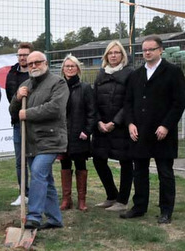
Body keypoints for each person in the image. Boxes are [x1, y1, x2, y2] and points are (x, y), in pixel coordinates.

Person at [121, 35, 185, 224]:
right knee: (139, 171)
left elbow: (179, 102)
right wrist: (130, 123)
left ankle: (166, 211)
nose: (147, 52)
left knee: (165, 172)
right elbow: (128, 102)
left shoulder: (173, 72)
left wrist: (166, 125)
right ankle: (139, 207)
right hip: (139, 132)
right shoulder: (136, 74)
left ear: (160, 50)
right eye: (144, 49)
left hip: (162, 133)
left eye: (151, 49)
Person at [9, 51, 68, 229]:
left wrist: (28, 113)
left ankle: (34, 216)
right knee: (45, 179)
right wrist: (17, 98)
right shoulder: (26, 85)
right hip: (31, 140)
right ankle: (55, 219)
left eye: (37, 62)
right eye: (30, 64)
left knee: (37, 173)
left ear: (46, 63)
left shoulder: (58, 83)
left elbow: (55, 108)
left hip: (50, 138)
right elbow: (13, 112)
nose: (33, 66)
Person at [92, 40, 134, 212]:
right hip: (102, 127)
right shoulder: (100, 74)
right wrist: (99, 122)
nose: (113, 55)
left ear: (122, 55)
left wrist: (115, 122)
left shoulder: (130, 73)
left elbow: (130, 102)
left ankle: (122, 200)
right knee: (98, 159)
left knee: (125, 161)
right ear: (106, 56)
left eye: (117, 52)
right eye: (110, 53)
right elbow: (93, 101)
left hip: (121, 127)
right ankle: (111, 195)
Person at [58, 54, 95, 212]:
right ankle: (67, 199)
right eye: (67, 66)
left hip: (80, 135)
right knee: (65, 165)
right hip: (63, 135)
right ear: (63, 69)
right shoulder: (59, 88)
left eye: (73, 66)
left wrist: (87, 130)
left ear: (78, 69)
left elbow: (92, 112)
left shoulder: (85, 88)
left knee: (80, 165)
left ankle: (82, 200)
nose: (70, 68)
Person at [6, 42, 32, 206]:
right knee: (20, 160)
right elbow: (11, 97)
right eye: (20, 55)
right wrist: (17, 98)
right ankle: (24, 193)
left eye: (25, 55)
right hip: (18, 122)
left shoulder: (36, 73)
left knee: (34, 159)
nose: (22, 57)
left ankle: (37, 193)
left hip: (36, 122)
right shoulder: (12, 74)